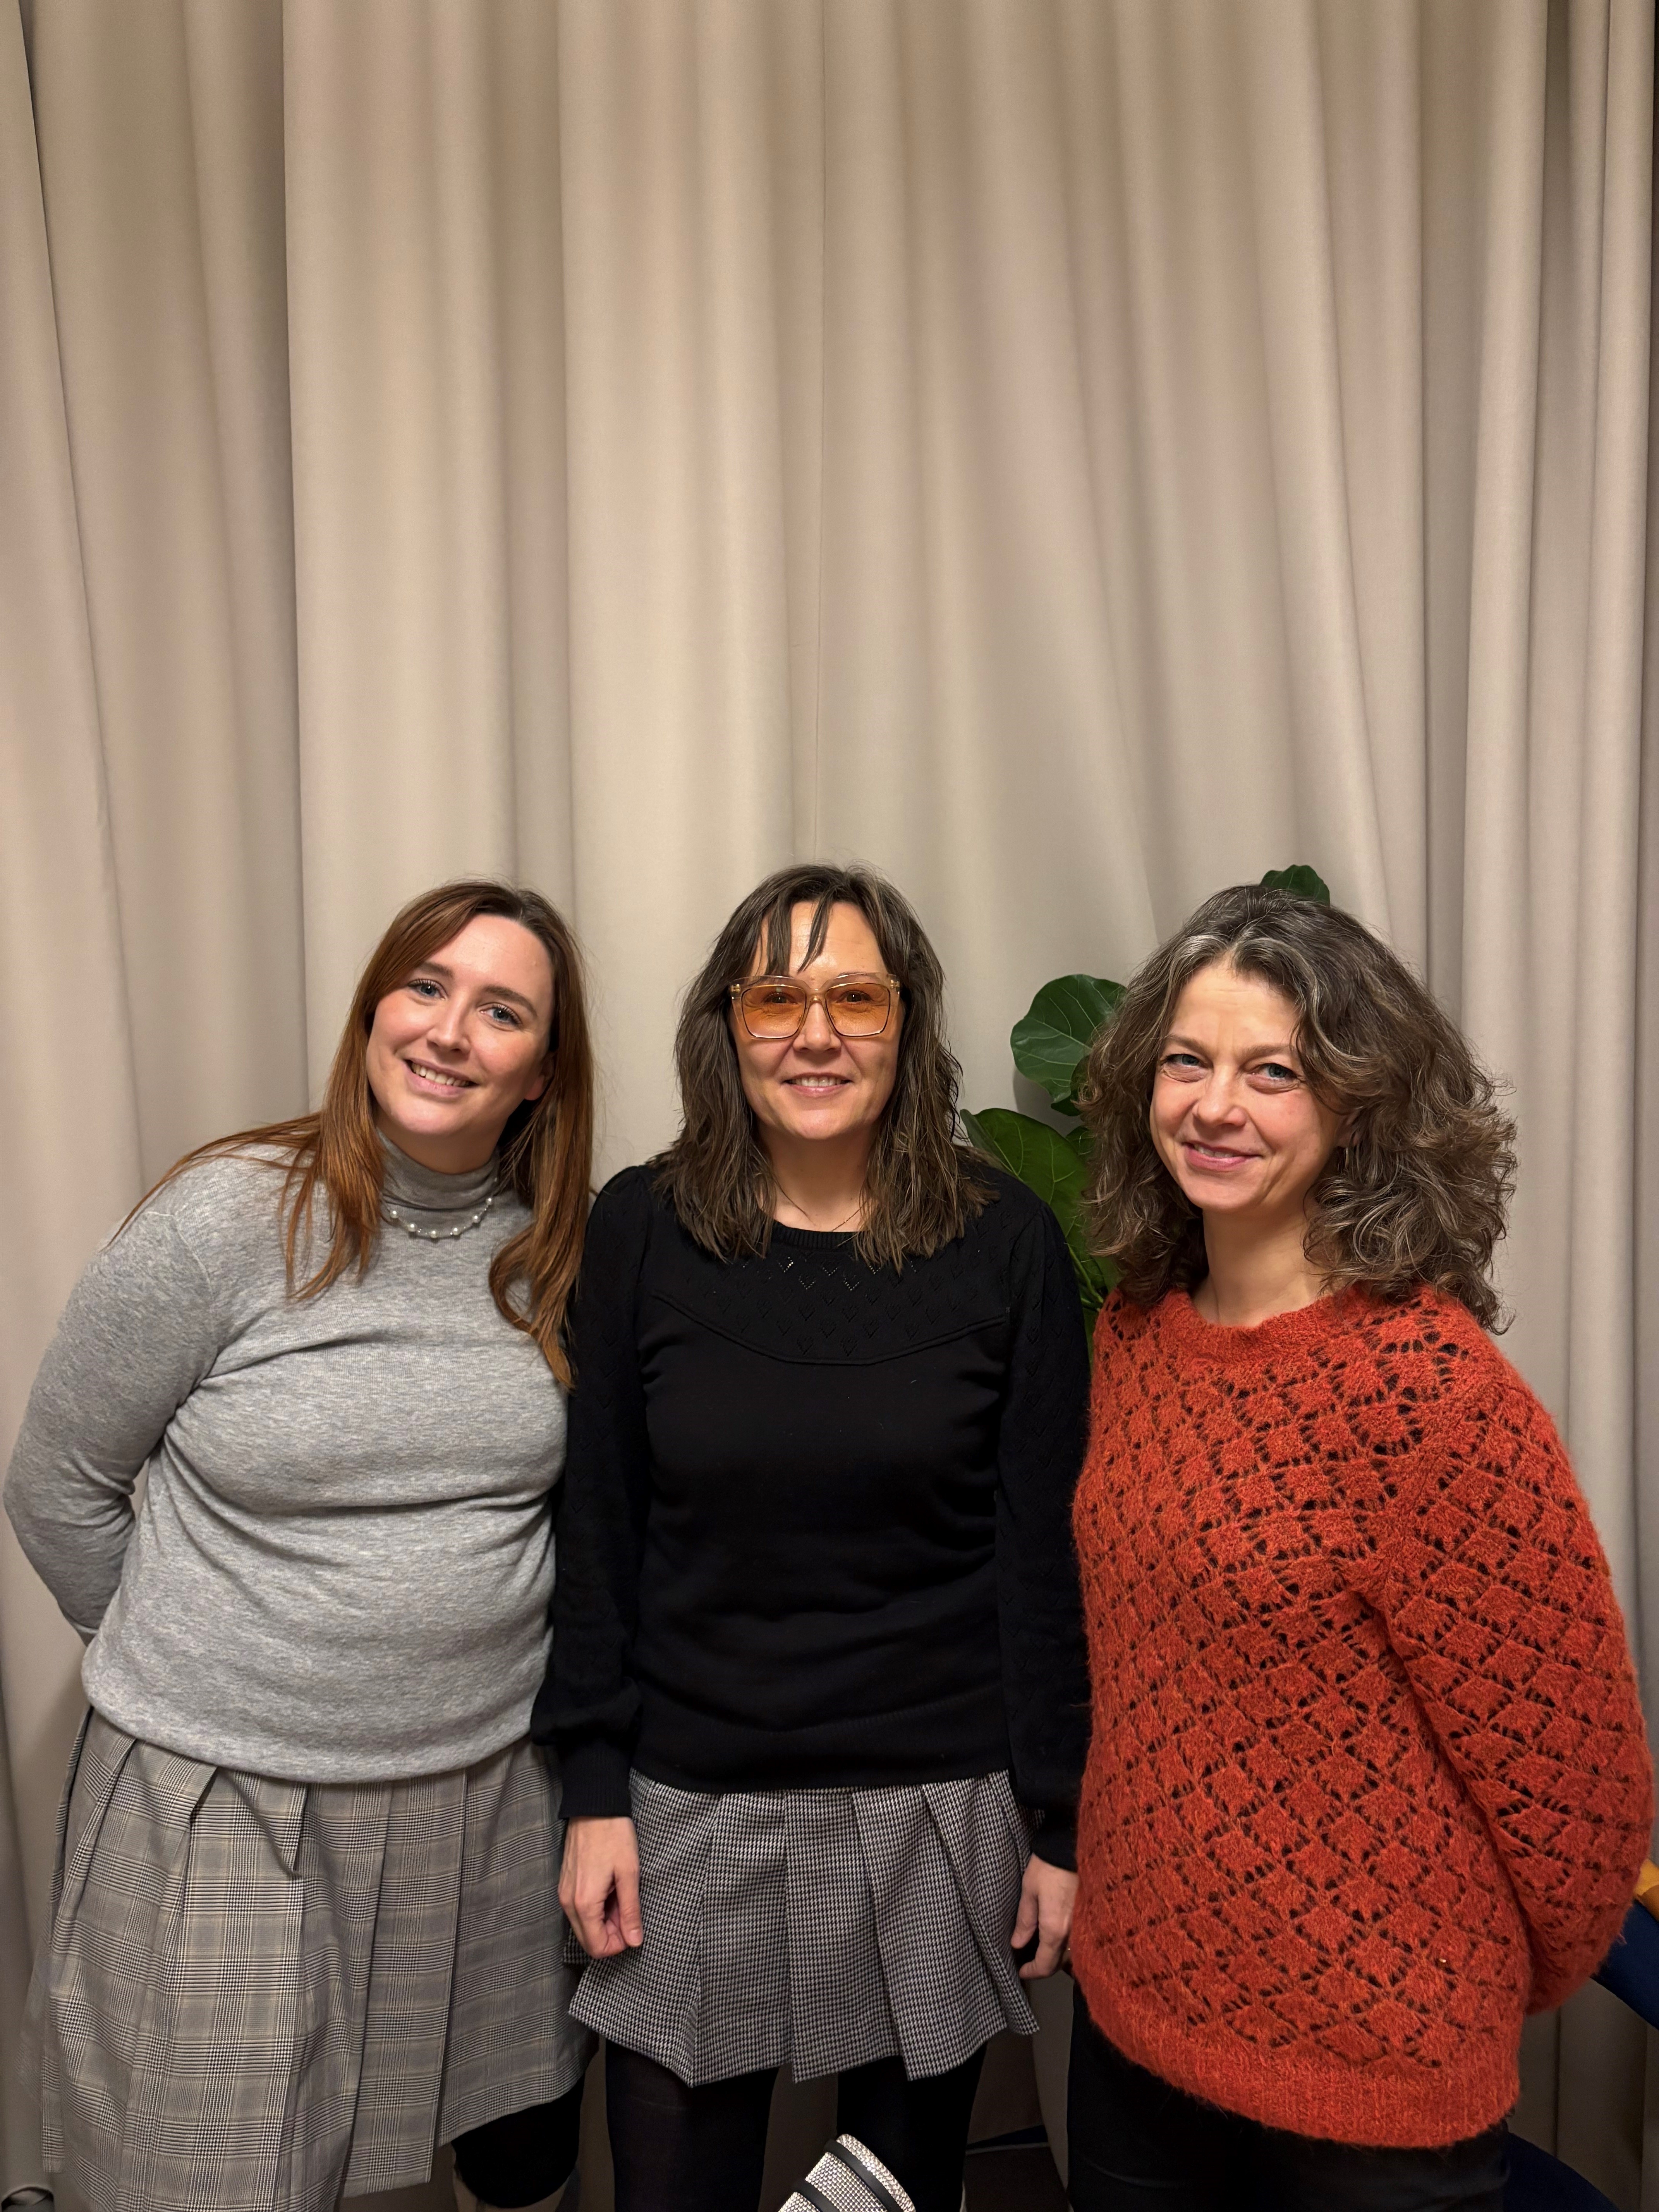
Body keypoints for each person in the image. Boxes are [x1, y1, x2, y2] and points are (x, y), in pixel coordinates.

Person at [6, 880, 599, 2212]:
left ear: (543, 1074)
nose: (448, 1031)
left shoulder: (561, 1253)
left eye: (502, 1011)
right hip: (230, 1801)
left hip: (492, 1801)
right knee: (204, 2173)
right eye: (424, 987)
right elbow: (59, 1486)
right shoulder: (226, 1216)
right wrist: (200, 1661)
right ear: (372, 1012)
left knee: (517, 2159)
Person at [1063, 884, 1654, 2212]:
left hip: (1370, 2088)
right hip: (1134, 2020)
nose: (1216, 1106)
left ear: (1357, 1106)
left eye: (1273, 1072)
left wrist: (1427, 1983)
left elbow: (1577, 1798)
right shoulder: (1137, 1335)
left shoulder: (1429, 1397)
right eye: (1186, 1061)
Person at [535, 862, 1091, 2212]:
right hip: (687, 1799)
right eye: (776, 997)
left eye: (856, 997)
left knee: (885, 2201)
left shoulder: (1005, 1242)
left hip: (936, 1805)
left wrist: (1062, 1823)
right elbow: (598, 1525)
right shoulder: (642, 1228)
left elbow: (1041, 1555)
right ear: (727, 1027)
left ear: (908, 1022)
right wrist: (595, 1792)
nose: (816, 1033)